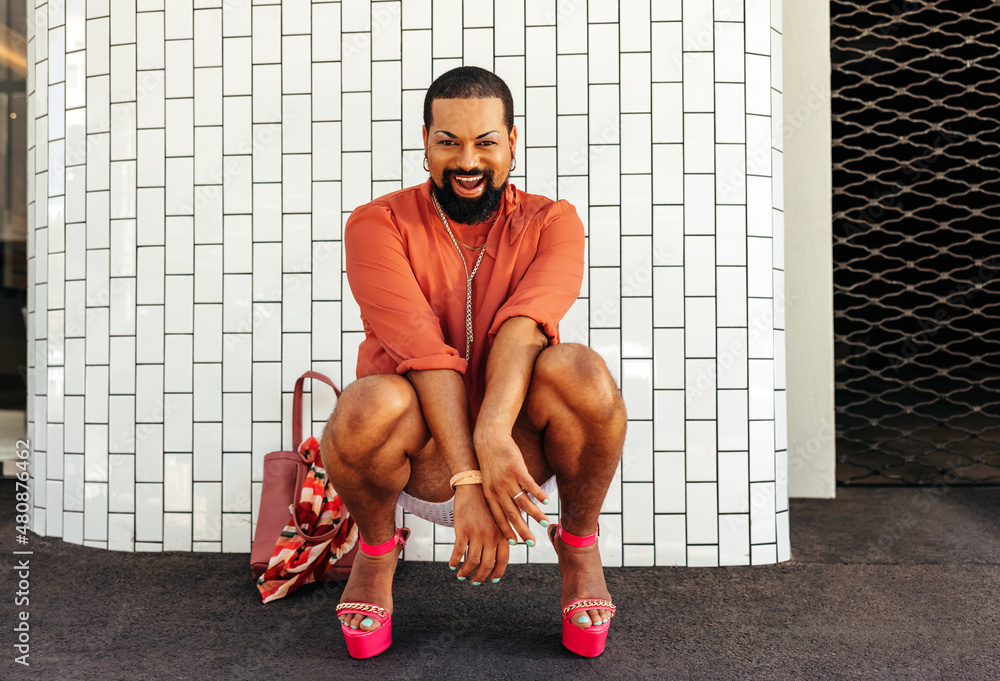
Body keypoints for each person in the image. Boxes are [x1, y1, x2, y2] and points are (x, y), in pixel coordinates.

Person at [320, 66, 626, 659]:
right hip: (422, 455)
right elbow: (423, 351)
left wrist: (491, 434)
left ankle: (580, 546)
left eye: (485, 142)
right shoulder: (375, 223)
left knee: (580, 371)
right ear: (425, 142)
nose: (467, 161)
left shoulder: (552, 221)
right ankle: (377, 554)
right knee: (363, 405)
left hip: (515, 453)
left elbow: (521, 327)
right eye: (448, 142)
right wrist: (466, 475)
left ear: (513, 142)